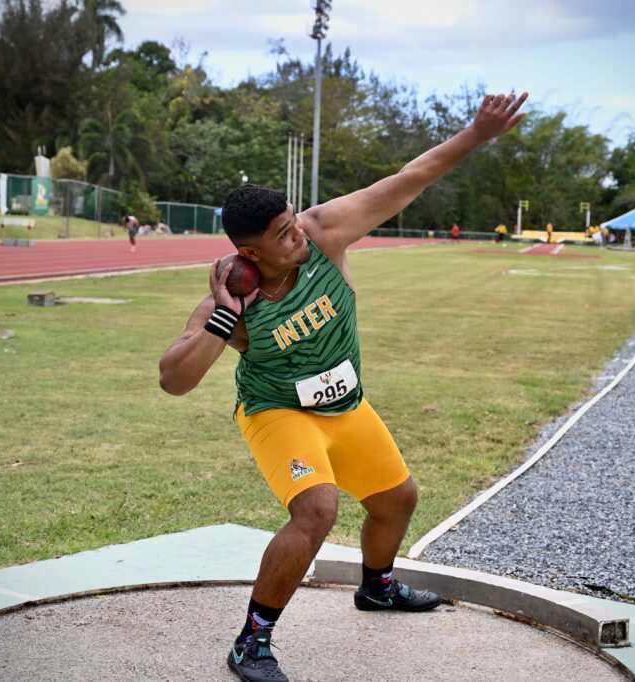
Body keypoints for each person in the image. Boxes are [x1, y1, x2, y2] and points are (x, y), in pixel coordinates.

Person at [158, 89, 529, 682]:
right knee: (318, 510)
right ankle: (252, 642)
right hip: (279, 412)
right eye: (282, 234)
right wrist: (227, 316)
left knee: (397, 499)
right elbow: (173, 380)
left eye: (293, 219)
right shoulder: (231, 302)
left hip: (346, 404)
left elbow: (409, 178)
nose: (297, 234)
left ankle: (377, 588)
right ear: (250, 253)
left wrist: (477, 134)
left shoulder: (324, 232)